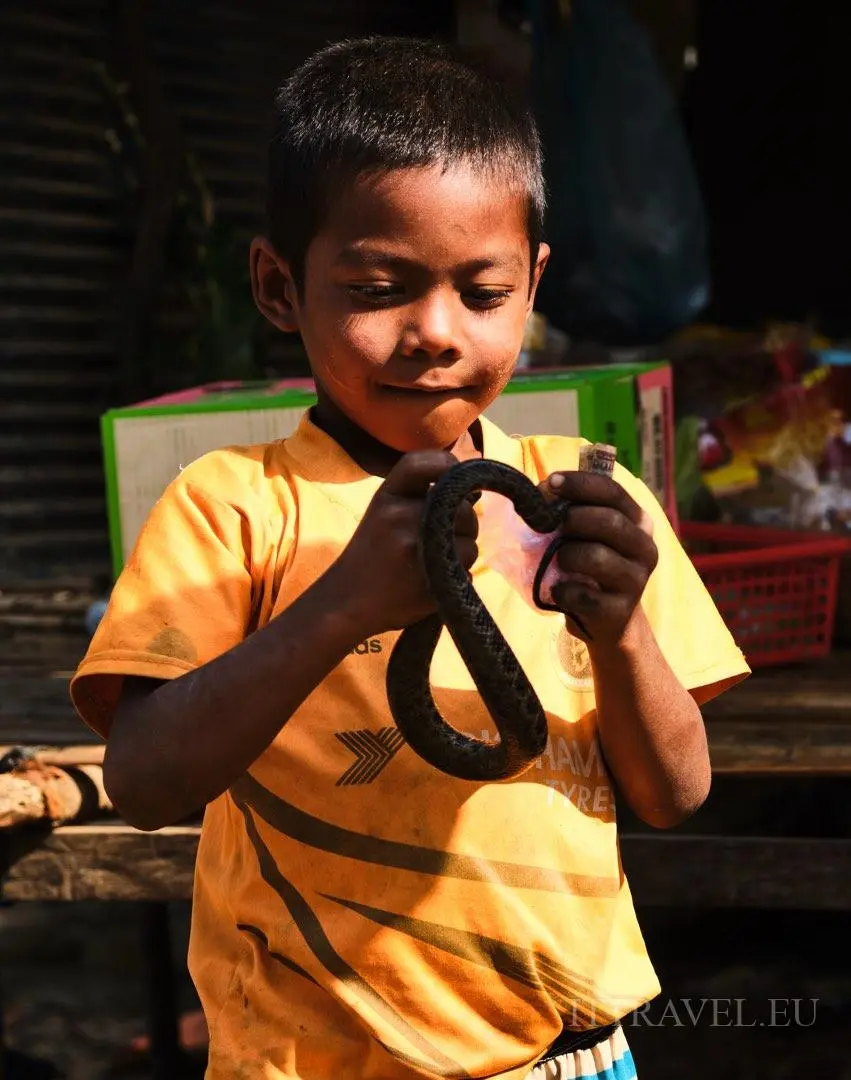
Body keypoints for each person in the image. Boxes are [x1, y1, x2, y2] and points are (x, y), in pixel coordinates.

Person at [70, 35, 749, 1080]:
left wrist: (616, 630)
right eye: (379, 287)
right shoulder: (232, 507)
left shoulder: (581, 500)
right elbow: (148, 782)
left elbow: (674, 791)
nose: (433, 334)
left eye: (481, 294)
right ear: (277, 287)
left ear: (533, 284)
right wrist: (338, 608)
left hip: (568, 1058)